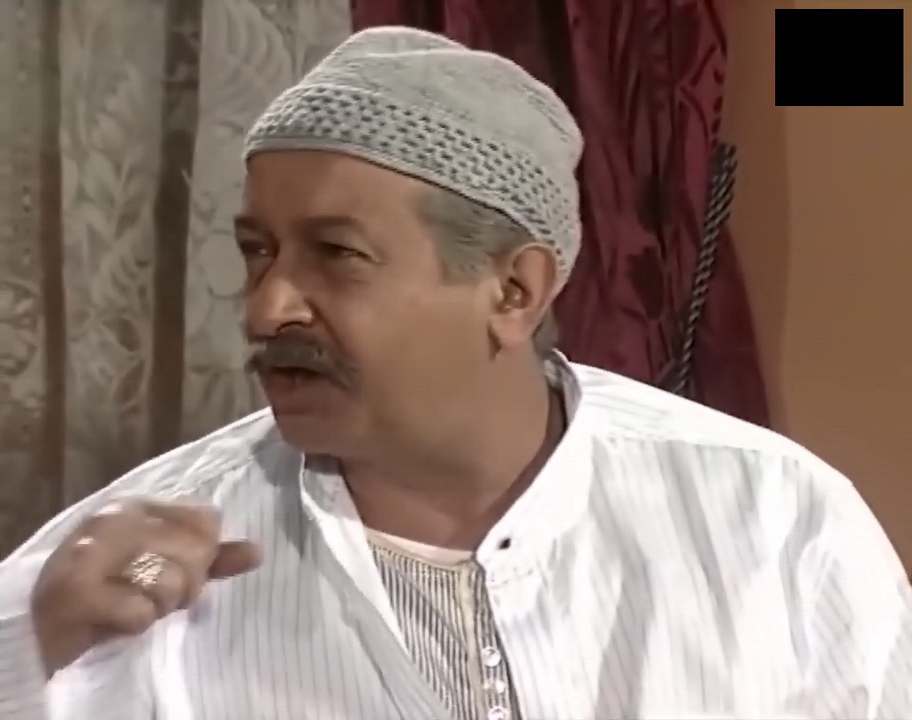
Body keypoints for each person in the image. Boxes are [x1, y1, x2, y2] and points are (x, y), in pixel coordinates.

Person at [1, 25, 910, 720]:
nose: (268, 306)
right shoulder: (130, 572)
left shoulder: (774, 521)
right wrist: (35, 644)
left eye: (337, 253)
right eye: (257, 251)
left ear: (514, 290)